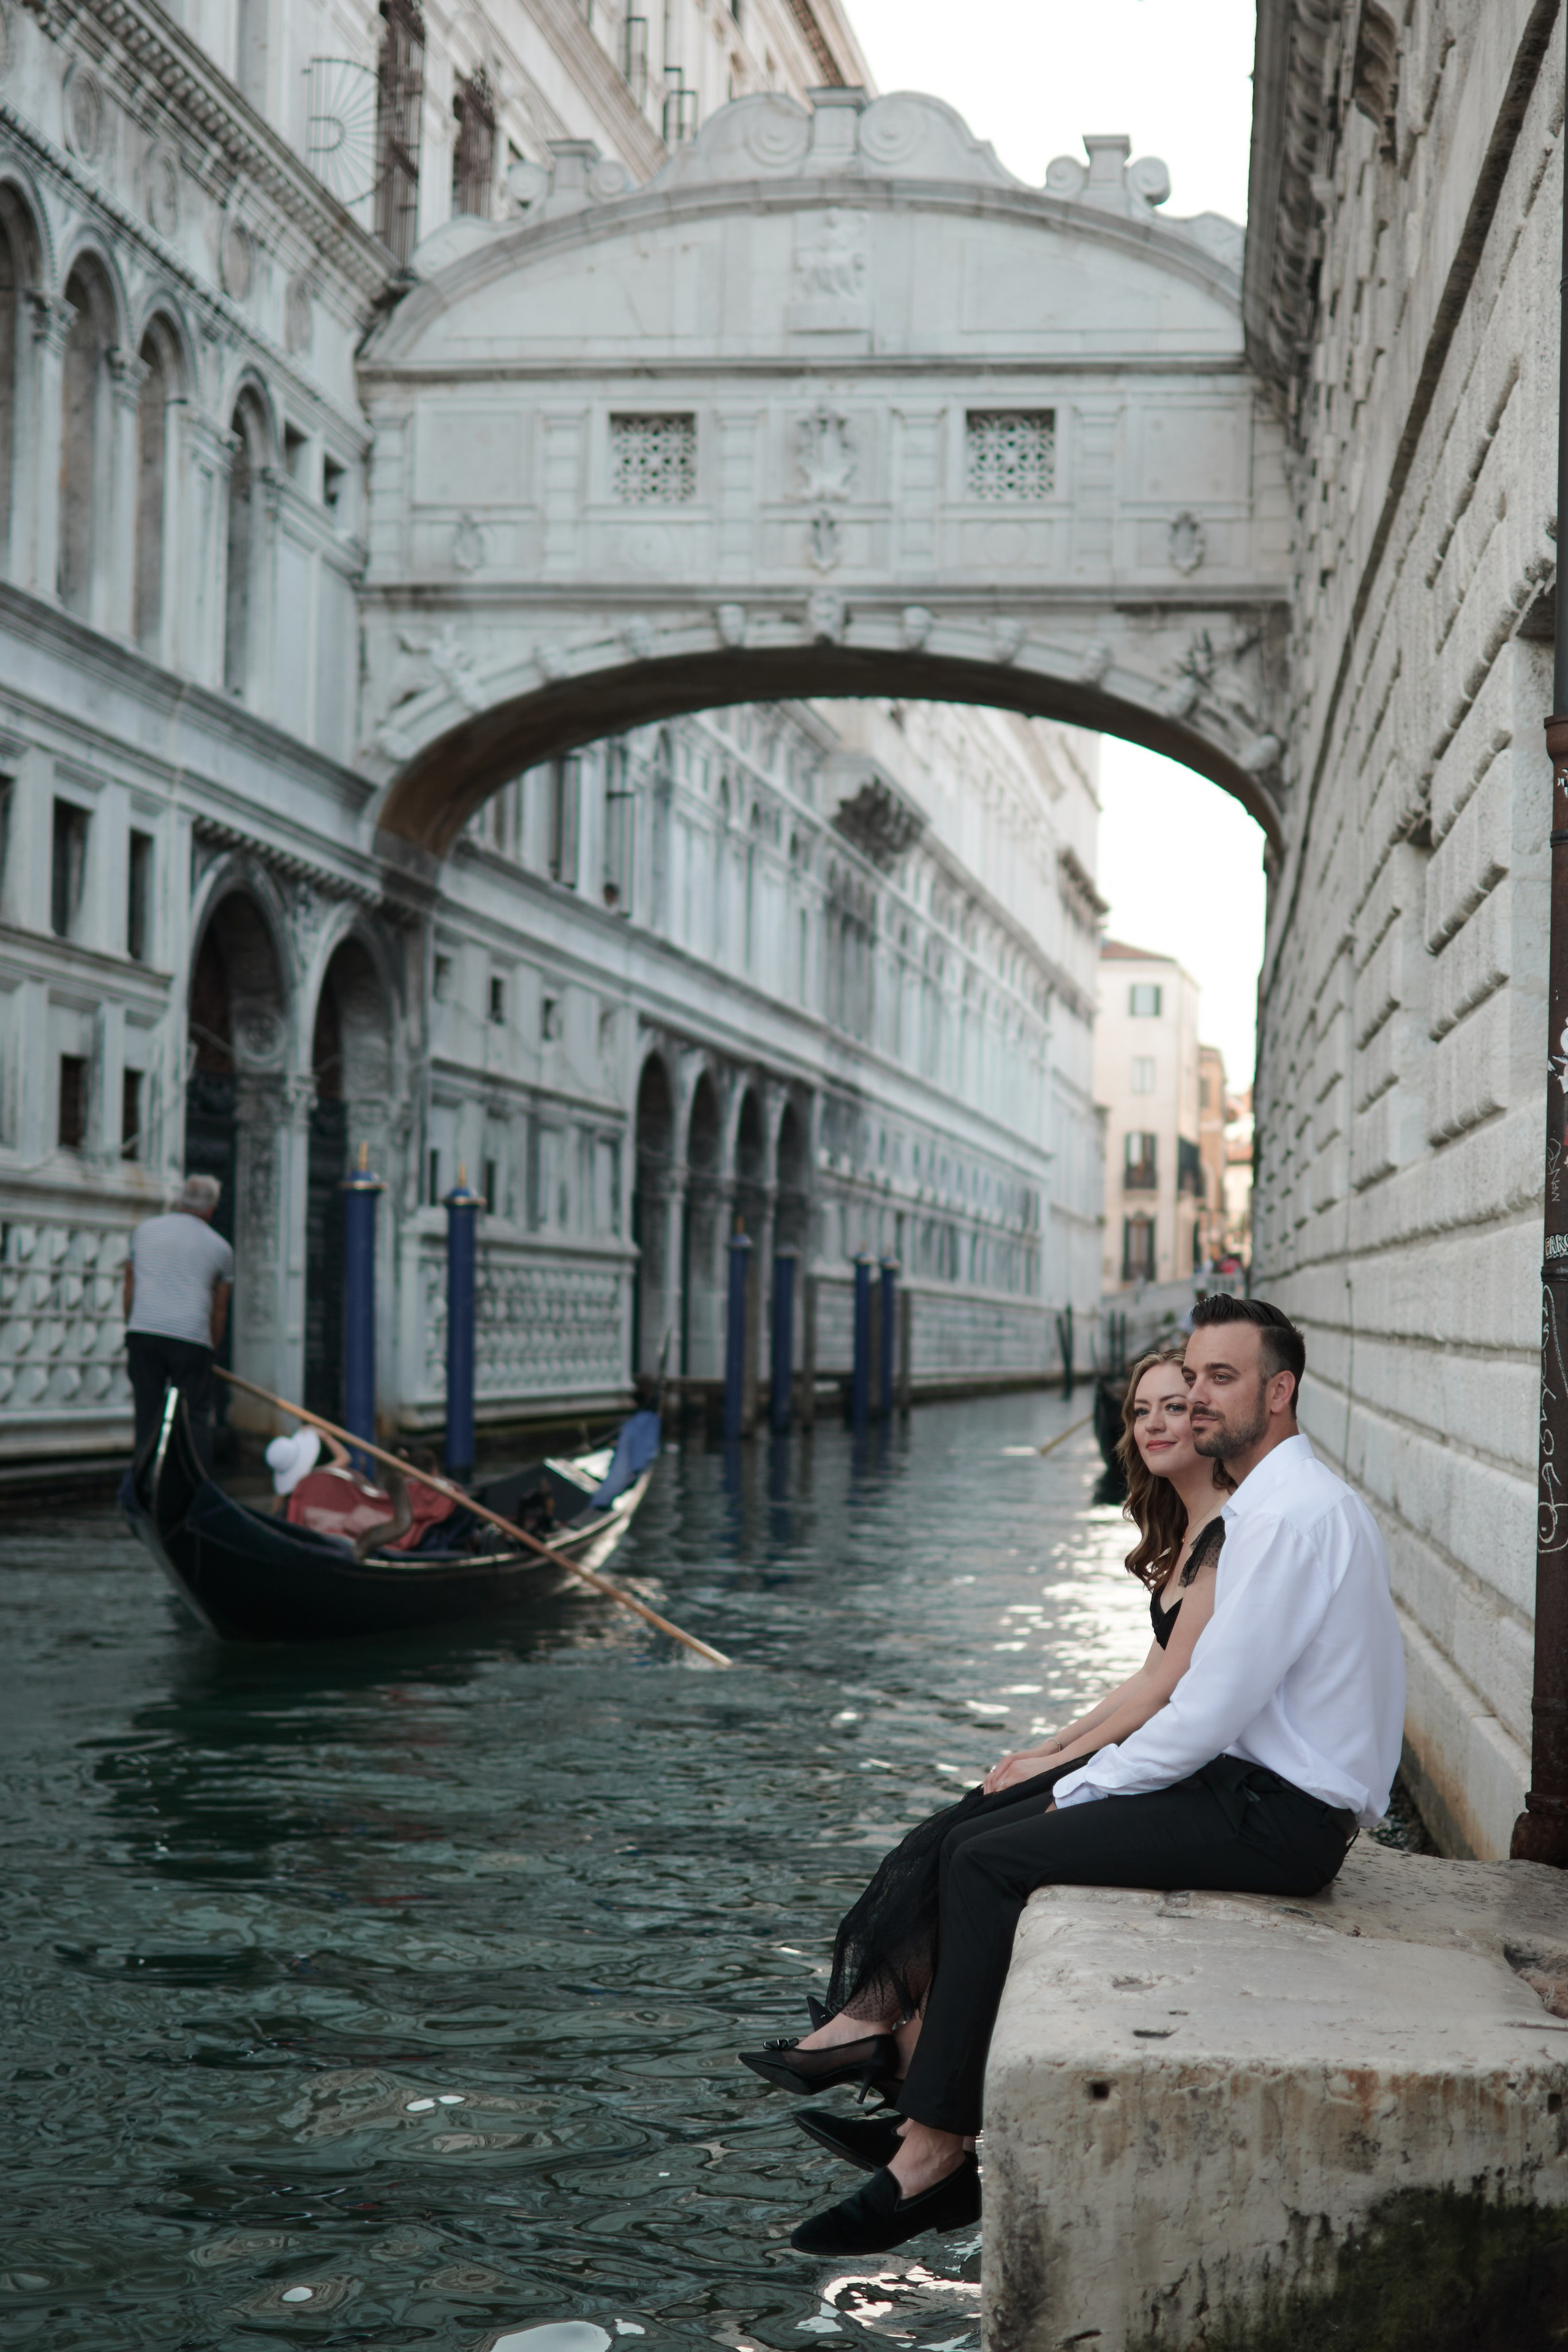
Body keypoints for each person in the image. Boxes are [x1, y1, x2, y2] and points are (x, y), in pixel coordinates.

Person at [769, 1296, 1406, 2258]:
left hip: (1279, 1818)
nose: (1197, 1397)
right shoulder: (1281, 1503)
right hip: (1255, 1793)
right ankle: (922, 2120)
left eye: (1221, 1379)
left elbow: (1203, 1713)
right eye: (1193, 1376)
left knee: (991, 1861)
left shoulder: (1288, 1517)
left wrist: (1077, 1786)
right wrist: (1068, 1776)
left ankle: (934, 2158)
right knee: (978, 1841)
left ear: (1278, 1393)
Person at [738, 1343, 1238, 2219]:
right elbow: (1146, 1677)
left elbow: (1166, 1691)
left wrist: (1054, 1762)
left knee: (972, 1845)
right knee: (957, 1826)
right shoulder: (1187, 1530)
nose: (1155, 1424)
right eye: (1140, 1411)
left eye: (1174, 1407)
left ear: (1207, 1421)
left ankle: (891, 2060)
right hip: (1169, 1748)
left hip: (1203, 1772)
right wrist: (1049, 1745)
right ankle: (889, 2057)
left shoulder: (1226, 1533)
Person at [123, 1174, 234, 1470]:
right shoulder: (221, 1248)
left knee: (147, 1411)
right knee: (195, 1414)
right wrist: (211, 1348)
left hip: (144, 1332)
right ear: (212, 1210)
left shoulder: (144, 1230)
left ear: (180, 1200)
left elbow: (129, 1286)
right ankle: (196, 1481)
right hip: (191, 1338)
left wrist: (132, 1326)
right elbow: (219, 1309)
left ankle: (144, 1476)